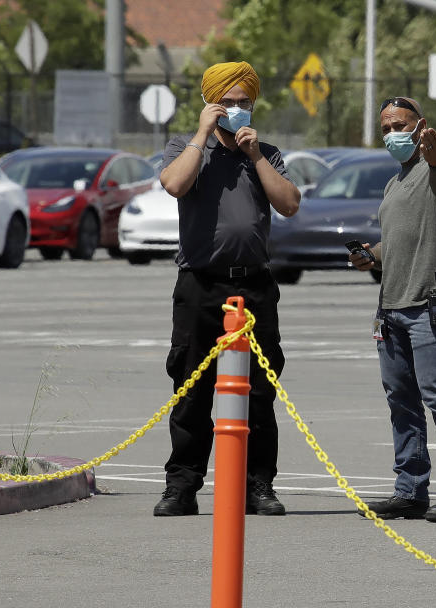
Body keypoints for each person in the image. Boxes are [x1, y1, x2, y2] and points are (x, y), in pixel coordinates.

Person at [153, 61, 301, 517]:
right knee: (192, 386)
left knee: (259, 389)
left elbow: (290, 203)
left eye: (244, 104)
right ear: (211, 104)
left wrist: (255, 156)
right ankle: (182, 486)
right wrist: (201, 135)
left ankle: (258, 485)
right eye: (228, 103)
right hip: (201, 284)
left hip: (253, 285)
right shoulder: (186, 147)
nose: (237, 111)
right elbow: (174, 184)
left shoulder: (266, 153)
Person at [350, 96, 436, 523]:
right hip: (391, 308)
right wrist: (371, 254)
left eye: (400, 125)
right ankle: (410, 490)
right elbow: (400, 240)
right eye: (385, 127)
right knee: (401, 402)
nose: (392, 134)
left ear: (420, 125)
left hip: (430, 305)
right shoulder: (396, 182)